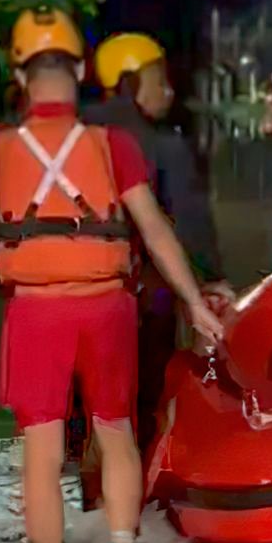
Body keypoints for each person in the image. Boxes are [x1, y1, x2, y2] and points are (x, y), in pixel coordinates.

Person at [0, 7, 225, 543]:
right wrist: (195, 301)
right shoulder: (114, 145)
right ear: (81, 70)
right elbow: (153, 228)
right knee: (117, 434)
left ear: (18, 76)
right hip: (108, 308)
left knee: (42, 448)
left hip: (36, 313)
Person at [86, 31, 231, 453]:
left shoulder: (69, 136)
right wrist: (210, 283)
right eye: (159, 80)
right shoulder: (164, 146)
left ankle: (84, 488)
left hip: (66, 296)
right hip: (141, 298)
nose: (168, 91)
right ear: (130, 84)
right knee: (145, 400)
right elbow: (191, 224)